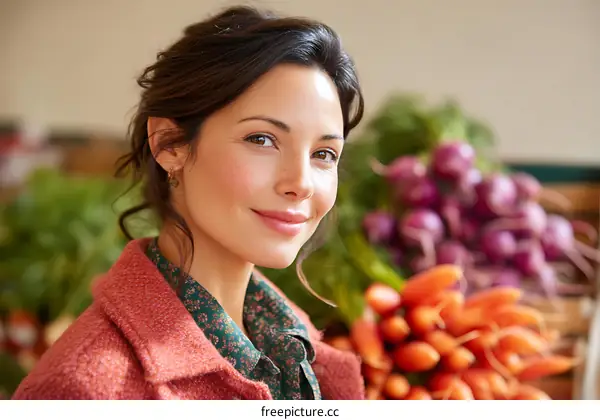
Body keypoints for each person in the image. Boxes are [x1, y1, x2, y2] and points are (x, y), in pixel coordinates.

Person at [12, 4, 365, 400]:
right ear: (170, 144)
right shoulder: (85, 390)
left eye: (324, 154)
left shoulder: (296, 351)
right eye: (262, 139)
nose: (300, 183)